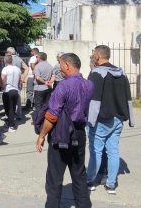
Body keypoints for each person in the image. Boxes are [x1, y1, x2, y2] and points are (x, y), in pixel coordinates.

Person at [35, 53, 93, 208]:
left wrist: (41, 135)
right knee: (79, 174)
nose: (59, 69)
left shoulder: (63, 86)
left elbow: (51, 116)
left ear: (67, 65)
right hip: (79, 133)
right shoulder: (89, 85)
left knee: (54, 177)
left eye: (60, 65)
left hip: (60, 134)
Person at [86, 45, 135, 194]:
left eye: (93, 54)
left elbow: (93, 100)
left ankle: (90, 181)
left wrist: (90, 120)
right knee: (113, 152)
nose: (93, 56)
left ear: (98, 56)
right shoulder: (121, 73)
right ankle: (111, 184)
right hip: (118, 118)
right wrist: (130, 118)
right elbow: (128, 98)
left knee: (96, 152)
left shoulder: (96, 74)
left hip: (100, 120)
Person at [1, 55, 22, 132]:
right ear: (12, 60)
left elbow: (3, 79)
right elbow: (19, 80)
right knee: (12, 108)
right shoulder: (18, 69)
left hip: (7, 90)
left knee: (8, 108)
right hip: (15, 90)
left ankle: (11, 125)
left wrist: (2, 86)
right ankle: (10, 123)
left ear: (5, 61)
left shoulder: (5, 69)